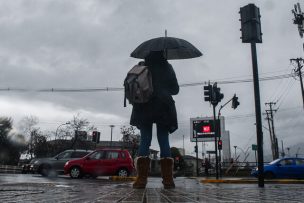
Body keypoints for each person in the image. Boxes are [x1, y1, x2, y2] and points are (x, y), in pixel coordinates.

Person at [130, 51, 179, 189]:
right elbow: (175, 90)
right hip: (163, 107)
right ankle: (168, 181)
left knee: (145, 140)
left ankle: (141, 181)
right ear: (162, 54)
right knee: (163, 140)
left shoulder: (142, 66)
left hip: (143, 106)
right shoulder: (167, 67)